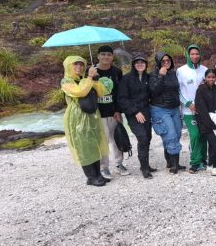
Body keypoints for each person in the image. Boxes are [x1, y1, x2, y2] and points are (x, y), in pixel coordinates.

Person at [61, 56, 109, 186]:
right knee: (84, 146)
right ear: (69, 66)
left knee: (95, 144)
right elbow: (80, 92)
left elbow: (102, 92)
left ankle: (98, 175)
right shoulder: (66, 81)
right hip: (77, 119)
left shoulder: (85, 80)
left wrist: (95, 80)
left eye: (81, 65)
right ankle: (91, 177)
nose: (79, 67)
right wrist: (89, 78)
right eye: (75, 65)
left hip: (92, 116)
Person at [116, 54, 154, 179]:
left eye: (142, 62)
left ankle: (146, 165)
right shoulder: (126, 79)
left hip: (146, 111)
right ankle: (144, 168)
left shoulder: (148, 77)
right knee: (142, 138)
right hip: (133, 113)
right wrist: (135, 112)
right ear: (133, 64)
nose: (140, 64)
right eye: (137, 62)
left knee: (148, 137)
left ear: (146, 64)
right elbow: (122, 99)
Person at [149, 52, 185, 174]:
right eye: (163, 61)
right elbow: (153, 91)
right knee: (170, 135)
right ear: (158, 62)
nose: (166, 62)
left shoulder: (173, 73)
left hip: (174, 108)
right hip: (160, 109)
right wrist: (160, 76)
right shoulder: (154, 74)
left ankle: (171, 162)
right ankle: (174, 165)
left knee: (177, 134)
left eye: (168, 60)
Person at [94, 45, 126, 178]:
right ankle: (103, 167)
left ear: (112, 57)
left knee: (117, 138)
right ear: (98, 56)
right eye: (103, 54)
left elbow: (120, 93)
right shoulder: (91, 72)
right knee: (102, 141)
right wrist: (91, 78)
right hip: (98, 113)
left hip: (114, 112)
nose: (106, 57)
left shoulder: (117, 72)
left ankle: (119, 164)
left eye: (108, 54)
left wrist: (119, 110)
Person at [177, 44, 208, 173]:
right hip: (188, 110)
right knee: (195, 135)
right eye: (192, 54)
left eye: (197, 54)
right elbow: (177, 91)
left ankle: (203, 159)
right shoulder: (181, 70)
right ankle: (194, 162)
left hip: (203, 110)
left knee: (203, 135)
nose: (195, 56)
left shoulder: (205, 70)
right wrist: (188, 103)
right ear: (188, 55)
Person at [194, 69, 216, 176]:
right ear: (205, 77)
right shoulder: (201, 90)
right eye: (209, 77)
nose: (211, 79)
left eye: (213, 77)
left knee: (213, 144)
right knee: (215, 143)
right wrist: (210, 123)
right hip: (204, 122)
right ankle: (215, 167)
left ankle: (210, 165)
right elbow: (201, 109)